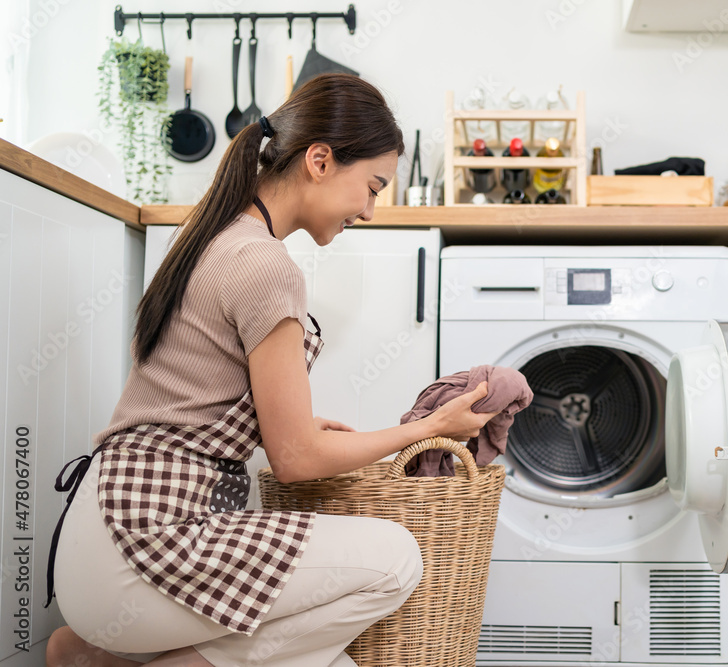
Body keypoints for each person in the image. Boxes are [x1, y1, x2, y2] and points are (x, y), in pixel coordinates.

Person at [45, 73, 497, 667]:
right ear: (319, 160)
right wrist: (427, 427)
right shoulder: (264, 264)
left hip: (107, 526)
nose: (369, 208)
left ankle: (93, 658)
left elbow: (209, 408)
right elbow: (297, 461)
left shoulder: (216, 235)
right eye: (372, 185)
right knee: (397, 558)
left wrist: (304, 428)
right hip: (143, 541)